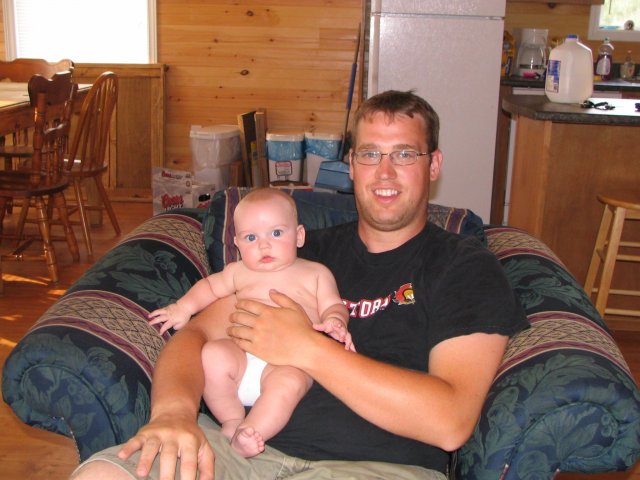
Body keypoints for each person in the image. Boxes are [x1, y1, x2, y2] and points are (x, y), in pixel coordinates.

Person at [71, 90, 528, 480]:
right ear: (352, 165)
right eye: (370, 154)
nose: (385, 172)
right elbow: (195, 336)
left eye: (405, 154)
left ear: (434, 165)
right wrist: (173, 413)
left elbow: (450, 422)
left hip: (377, 468)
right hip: (239, 453)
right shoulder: (293, 252)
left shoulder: (463, 266)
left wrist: (306, 348)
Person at [147, 187, 354, 457]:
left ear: (299, 235)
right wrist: (182, 308)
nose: (263, 245)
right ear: (237, 244)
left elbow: (333, 304)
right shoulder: (238, 272)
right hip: (241, 357)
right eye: (251, 237)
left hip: (287, 363)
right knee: (212, 354)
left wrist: (335, 321)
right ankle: (231, 419)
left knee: (290, 383)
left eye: (276, 233)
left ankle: (250, 431)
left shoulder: (315, 273)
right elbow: (210, 287)